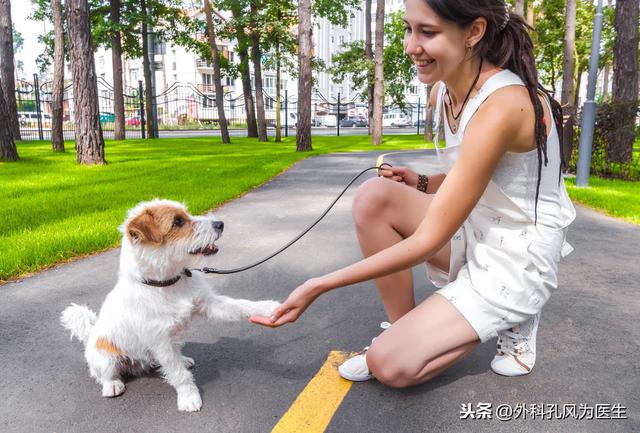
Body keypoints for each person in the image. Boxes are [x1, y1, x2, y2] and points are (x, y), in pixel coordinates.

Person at [251, 0, 576, 387]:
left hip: (517, 257)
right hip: (476, 229)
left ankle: (518, 312)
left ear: (473, 33)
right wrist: (421, 182)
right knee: (375, 196)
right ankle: (403, 330)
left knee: (391, 367)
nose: (409, 45)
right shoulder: (447, 91)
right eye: (408, 28)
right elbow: (475, 175)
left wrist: (318, 284)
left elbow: (427, 241)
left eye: (427, 32)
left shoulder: (504, 105)